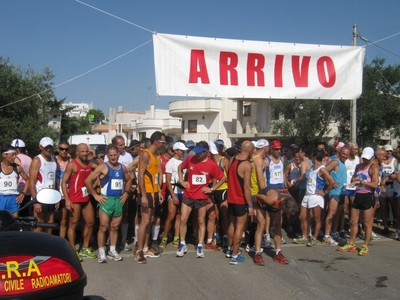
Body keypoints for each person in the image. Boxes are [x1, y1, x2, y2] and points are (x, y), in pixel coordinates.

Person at [176, 141, 226, 258]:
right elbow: (180, 167)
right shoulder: (190, 159)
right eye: (196, 152)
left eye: (199, 153)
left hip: (201, 197)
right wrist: (182, 180)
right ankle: (182, 244)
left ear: (206, 152)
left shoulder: (212, 165)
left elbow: (222, 178)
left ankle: (199, 245)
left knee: (201, 221)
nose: (197, 155)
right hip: (188, 195)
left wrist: (212, 189)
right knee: (183, 219)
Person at [85, 145, 131, 263]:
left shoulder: (123, 168)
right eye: (110, 155)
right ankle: (101, 252)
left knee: (115, 227)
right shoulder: (103, 167)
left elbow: (129, 179)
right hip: (106, 200)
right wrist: (96, 195)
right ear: (107, 156)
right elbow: (88, 181)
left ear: (118, 155)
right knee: (104, 227)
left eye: (115, 155)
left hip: (118, 200)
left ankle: (112, 250)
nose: (113, 157)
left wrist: (126, 193)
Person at [338, 147, 379, 256]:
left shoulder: (374, 167)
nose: (365, 160)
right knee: (353, 221)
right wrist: (355, 181)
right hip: (358, 195)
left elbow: (375, 184)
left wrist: (362, 182)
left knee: (367, 222)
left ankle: (365, 245)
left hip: (367, 196)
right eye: (364, 158)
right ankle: (351, 243)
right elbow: (354, 178)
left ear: (372, 157)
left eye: (367, 158)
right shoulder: (358, 166)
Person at [62, 143, 97, 261]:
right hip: (75, 199)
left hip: (86, 198)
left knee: (91, 222)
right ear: (77, 152)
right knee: (73, 224)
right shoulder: (72, 165)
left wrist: (94, 156)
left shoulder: (89, 163)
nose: (84, 153)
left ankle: (84, 248)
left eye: (86, 151)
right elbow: (63, 182)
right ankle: (72, 250)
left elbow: (101, 167)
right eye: (82, 151)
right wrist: (67, 199)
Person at [294, 149, 335, 247]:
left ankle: (315, 238)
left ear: (315, 158)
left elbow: (332, 181)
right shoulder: (312, 168)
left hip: (316, 196)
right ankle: (305, 236)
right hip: (307, 195)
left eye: (312, 158)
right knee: (302, 216)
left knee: (316, 218)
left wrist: (324, 192)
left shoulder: (322, 169)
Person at [135, 131, 165, 264]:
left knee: (150, 220)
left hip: (153, 191)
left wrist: (158, 191)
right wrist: (143, 196)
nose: (164, 144)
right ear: (156, 142)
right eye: (163, 142)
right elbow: (141, 175)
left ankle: (146, 248)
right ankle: (139, 250)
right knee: (145, 221)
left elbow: (155, 176)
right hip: (146, 192)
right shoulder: (145, 154)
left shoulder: (155, 156)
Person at [254, 183, 299, 265]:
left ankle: (278, 253)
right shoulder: (272, 199)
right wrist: (253, 207)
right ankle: (257, 253)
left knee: (277, 226)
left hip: (277, 204)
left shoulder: (291, 201)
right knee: (261, 225)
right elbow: (257, 196)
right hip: (262, 201)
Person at [226, 141, 254, 265]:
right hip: (240, 200)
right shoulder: (247, 165)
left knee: (232, 225)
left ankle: (230, 249)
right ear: (250, 150)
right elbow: (246, 188)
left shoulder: (232, 159)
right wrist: (250, 205)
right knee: (240, 227)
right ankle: (234, 255)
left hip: (231, 198)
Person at [105, 135, 133, 251]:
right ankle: (110, 241)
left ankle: (123, 240)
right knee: (109, 219)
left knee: (124, 216)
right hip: (110, 194)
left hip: (123, 193)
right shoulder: (109, 158)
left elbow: (131, 174)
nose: (123, 146)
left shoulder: (128, 156)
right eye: (120, 144)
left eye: (124, 144)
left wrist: (128, 188)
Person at [159, 142, 188, 249]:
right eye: (181, 151)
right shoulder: (171, 163)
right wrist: (173, 195)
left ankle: (177, 237)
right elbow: (167, 181)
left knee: (180, 216)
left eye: (184, 151)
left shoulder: (183, 162)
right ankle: (165, 238)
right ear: (175, 151)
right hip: (174, 191)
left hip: (183, 191)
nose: (183, 153)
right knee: (171, 216)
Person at [29, 137, 57, 234]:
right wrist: (35, 201)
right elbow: (31, 181)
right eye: (46, 147)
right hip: (40, 197)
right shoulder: (37, 160)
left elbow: (54, 180)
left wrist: (56, 197)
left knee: (50, 223)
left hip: (51, 197)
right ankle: (35, 247)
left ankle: (47, 247)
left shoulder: (54, 160)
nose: (48, 149)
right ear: (40, 147)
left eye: (50, 147)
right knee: (39, 224)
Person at [322, 146, 349, 245]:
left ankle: (333, 232)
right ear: (339, 152)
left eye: (347, 154)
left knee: (338, 213)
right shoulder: (335, 162)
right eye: (343, 154)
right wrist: (330, 181)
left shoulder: (343, 164)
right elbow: (323, 171)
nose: (345, 156)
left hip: (342, 192)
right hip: (334, 192)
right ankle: (326, 235)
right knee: (331, 213)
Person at [0, 144, 30, 216]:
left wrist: (23, 193)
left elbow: (28, 180)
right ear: (4, 155)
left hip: (13, 199)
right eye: (12, 155)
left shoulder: (17, 167)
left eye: (15, 155)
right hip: (1, 198)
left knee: (14, 223)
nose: (15, 157)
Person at [379, 144, 397, 235]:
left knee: (394, 207)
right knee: (383, 207)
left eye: (390, 151)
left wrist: (388, 178)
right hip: (382, 187)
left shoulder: (395, 161)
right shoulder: (381, 161)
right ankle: (385, 226)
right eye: (387, 151)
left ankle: (395, 225)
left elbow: (396, 174)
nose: (389, 152)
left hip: (392, 187)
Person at [11, 139, 32, 217]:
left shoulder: (15, 158)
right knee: (25, 215)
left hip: (17, 190)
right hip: (27, 190)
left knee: (14, 215)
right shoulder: (30, 159)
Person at [55, 141, 70, 239]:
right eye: (61, 149)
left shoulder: (70, 162)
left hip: (66, 194)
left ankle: (62, 241)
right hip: (54, 193)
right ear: (58, 149)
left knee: (63, 220)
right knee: (49, 220)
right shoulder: (53, 161)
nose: (64, 151)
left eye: (66, 149)